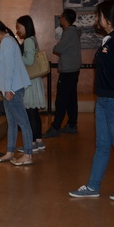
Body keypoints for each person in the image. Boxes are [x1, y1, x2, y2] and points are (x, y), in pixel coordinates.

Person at [69, 0, 114, 201]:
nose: (96, 20)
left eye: (98, 16)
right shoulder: (109, 38)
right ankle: (93, 186)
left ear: (107, 17)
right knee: (101, 145)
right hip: (104, 99)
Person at [0, 19, 34, 165]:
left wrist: (9, 89)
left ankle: (28, 154)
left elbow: (10, 68)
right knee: (12, 122)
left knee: (23, 122)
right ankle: (10, 152)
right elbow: (4, 68)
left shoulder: (7, 42)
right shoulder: (8, 41)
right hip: (10, 88)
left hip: (13, 89)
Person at [43, 8, 81, 137]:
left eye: (61, 17)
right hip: (73, 70)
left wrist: (56, 47)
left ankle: (55, 127)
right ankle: (71, 125)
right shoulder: (73, 32)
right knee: (71, 99)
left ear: (65, 19)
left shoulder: (69, 32)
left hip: (68, 71)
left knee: (61, 99)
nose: (60, 19)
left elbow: (58, 48)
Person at [15, 15, 46, 153]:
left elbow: (29, 60)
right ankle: (38, 141)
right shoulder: (32, 39)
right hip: (34, 80)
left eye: (19, 27)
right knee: (34, 113)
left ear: (25, 26)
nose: (17, 30)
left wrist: (16, 55)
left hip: (29, 81)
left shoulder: (28, 40)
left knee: (30, 114)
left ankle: (32, 143)